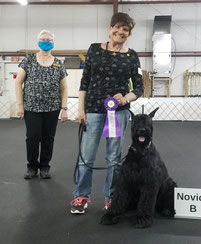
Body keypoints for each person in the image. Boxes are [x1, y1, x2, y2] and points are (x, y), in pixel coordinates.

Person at [70, 12, 144, 214]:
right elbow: (85, 81)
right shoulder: (94, 49)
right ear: (110, 28)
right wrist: (81, 109)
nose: (120, 32)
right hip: (92, 110)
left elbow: (139, 88)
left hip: (118, 113)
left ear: (129, 34)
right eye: (117, 27)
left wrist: (126, 98)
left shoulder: (132, 56)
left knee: (114, 158)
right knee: (86, 156)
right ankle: (81, 196)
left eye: (126, 29)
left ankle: (111, 198)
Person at [15, 30, 68, 180]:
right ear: (38, 42)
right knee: (32, 137)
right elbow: (18, 82)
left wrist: (64, 108)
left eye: (49, 39)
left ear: (53, 43)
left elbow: (64, 87)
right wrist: (20, 105)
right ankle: (32, 166)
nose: (46, 41)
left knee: (48, 138)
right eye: (43, 39)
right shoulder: (28, 60)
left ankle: (45, 166)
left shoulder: (59, 63)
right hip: (31, 107)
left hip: (52, 108)